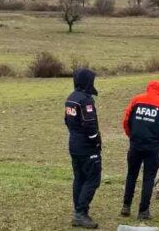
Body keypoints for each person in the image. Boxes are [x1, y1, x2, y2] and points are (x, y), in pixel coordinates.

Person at [121, 80, 159, 220]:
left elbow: (126, 120)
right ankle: (143, 211)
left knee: (131, 175)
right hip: (153, 146)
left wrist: (131, 136)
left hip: (135, 144)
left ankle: (126, 206)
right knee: (148, 178)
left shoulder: (136, 100)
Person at [64, 68, 101, 229]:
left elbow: (67, 120)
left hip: (73, 143)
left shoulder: (71, 98)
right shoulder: (86, 100)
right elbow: (90, 124)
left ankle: (78, 210)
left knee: (79, 177)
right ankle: (80, 213)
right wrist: (96, 141)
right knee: (92, 179)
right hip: (87, 146)